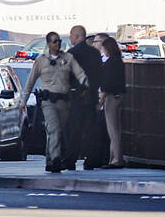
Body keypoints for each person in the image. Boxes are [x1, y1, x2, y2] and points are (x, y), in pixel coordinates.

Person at [22, 31, 88, 173]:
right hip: (48, 101)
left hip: (64, 101)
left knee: (55, 132)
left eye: (58, 41)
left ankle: (49, 159)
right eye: (54, 41)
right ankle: (56, 159)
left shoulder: (68, 58)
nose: (57, 43)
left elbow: (80, 74)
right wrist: (23, 102)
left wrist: (87, 87)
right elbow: (30, 82)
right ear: (48, 43)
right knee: (54, 129)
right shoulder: (41, 60)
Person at [64, 25, 106, 170]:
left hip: (76, 96)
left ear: (76, 36)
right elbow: (100, 74)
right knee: (91, 130)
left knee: (74, 130)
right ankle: (91, 160)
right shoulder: (94, 53)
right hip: (91, 95)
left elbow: (67, 75)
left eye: (71, 35)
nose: (70, 38)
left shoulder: (72, 53)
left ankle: (71, 160)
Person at [94, 34, 127, 168]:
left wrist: (100, 100)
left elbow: (107, 84)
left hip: (111, 97)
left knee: (113, 129)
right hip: (118, 96)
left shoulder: (110, 63)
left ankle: (116, 159)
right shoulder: (118, 61)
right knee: (115, 128)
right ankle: (113, 158)